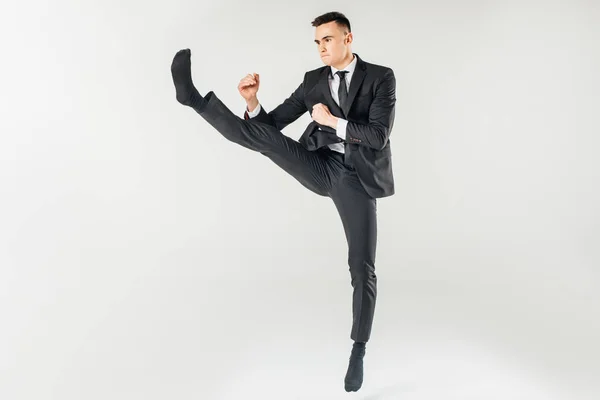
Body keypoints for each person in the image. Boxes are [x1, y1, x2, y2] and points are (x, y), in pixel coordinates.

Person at [170, 11, 396, 392]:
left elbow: (377, 137)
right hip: (320, 164)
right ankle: (193, 99)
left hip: (356, 179)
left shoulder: (380, 77)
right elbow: (269, 127)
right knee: (264, 140)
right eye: (317, 42)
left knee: (362, 266)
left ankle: (358, 348)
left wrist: (332, 121)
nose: (322, 47)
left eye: (328, 39)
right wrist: (254, 102)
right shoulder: (312, 82)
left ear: (348, 38)